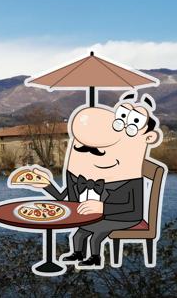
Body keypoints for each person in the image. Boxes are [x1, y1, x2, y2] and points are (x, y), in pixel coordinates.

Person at [17, 92, 163, 269]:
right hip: (99, 213)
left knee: (97, 232)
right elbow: (67, 199)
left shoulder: (130, 180)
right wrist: (46, 185)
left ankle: (95, 258)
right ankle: (77, 253)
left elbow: (133, 207)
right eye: (86, 149)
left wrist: (103, 207)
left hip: (125, 217)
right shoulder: (83, 178)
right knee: (78, 234)